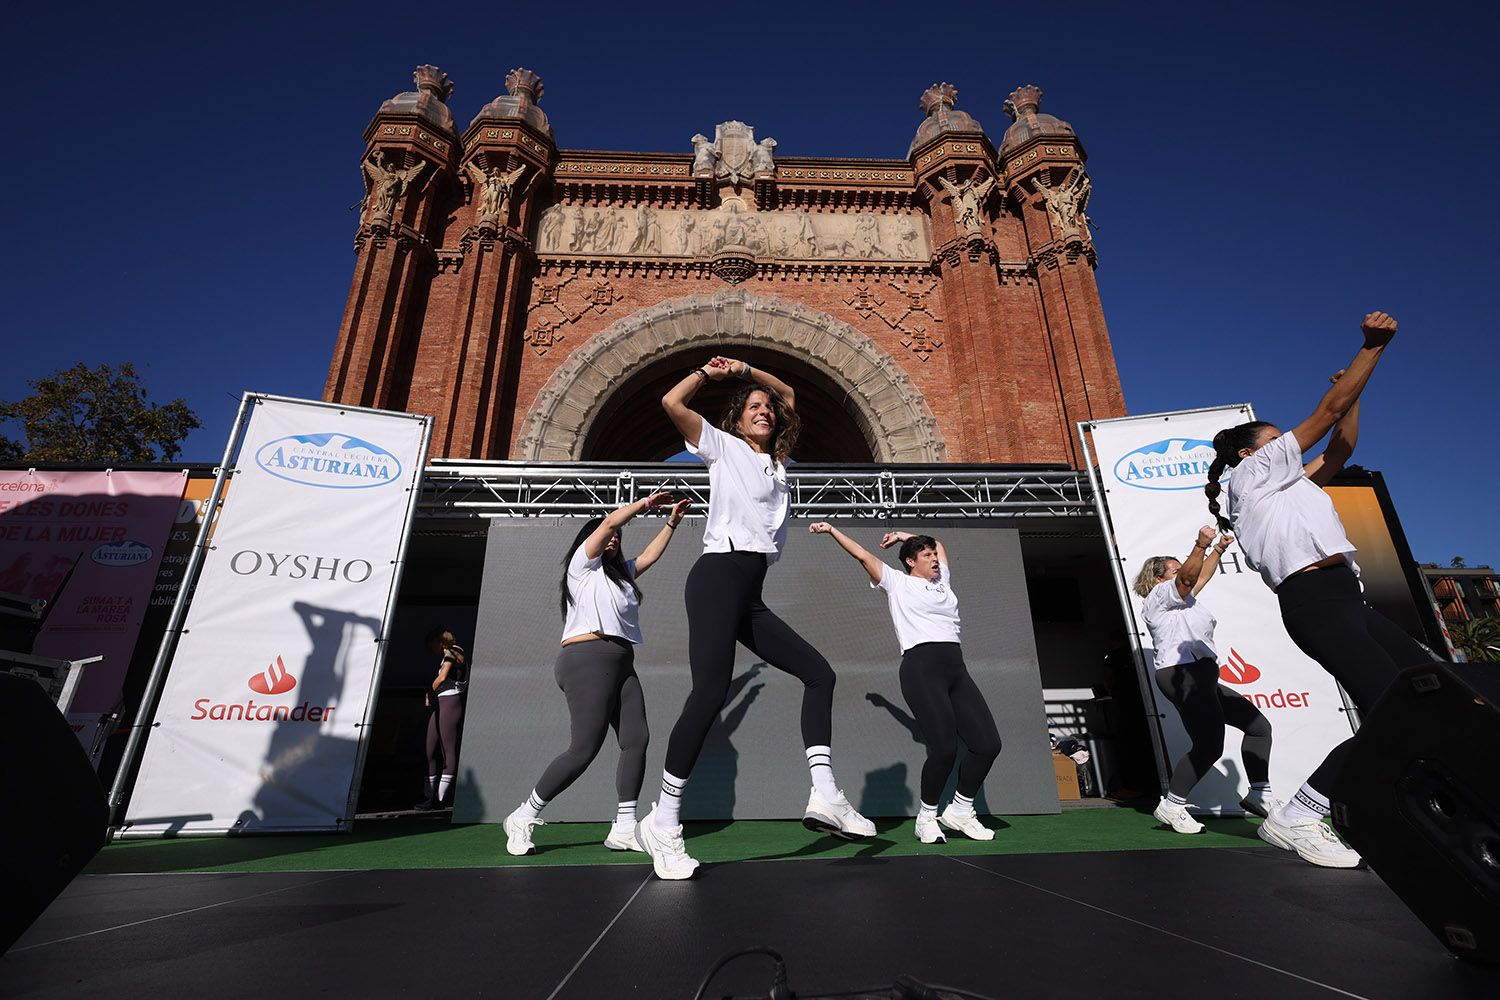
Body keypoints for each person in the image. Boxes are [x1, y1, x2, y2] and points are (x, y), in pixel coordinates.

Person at [1205, 309, 1435, 868]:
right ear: (1249, 453)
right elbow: (1326, 416)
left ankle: (1420, 808)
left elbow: (1340, 448)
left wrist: (1350, 394)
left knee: (1430, 697)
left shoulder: (1291, 485)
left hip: (1348, 599)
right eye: (1275, 438)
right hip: (1315, 602)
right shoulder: (1250, 477)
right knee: (1388, 709)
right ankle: (1299, 812)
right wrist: (1372, 349)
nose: (1287, 442)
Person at [639, 356, 875, 881]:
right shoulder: (721, 448)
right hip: (718, 576)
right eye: (752, 408)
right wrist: (709, 373)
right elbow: (671, 403)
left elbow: (788, 391)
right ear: (735, 420)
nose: (764, 411)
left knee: (820, 674)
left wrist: (751, 371)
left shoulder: (778, 464)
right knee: (709, 691)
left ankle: (824, 793)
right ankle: (665, 818)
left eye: (767, 409)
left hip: (749, 590)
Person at [501, 493, 690, 856]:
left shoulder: (620, 577)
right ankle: (523, 815)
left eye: (618, 537)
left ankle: (623, 827)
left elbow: (648, 557)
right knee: (584, 748)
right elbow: (608, 523)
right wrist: (646, 504)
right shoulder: (581, 567)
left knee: (637, 740)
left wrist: (672, 523)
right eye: (609, 535)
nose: (614, 538)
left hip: (621, 660)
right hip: (587, 658)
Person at [809, 524, 1002, 844]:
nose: (935, 559)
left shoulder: (943, 582)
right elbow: (862, 555)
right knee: (943, 748)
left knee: (987, 745)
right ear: (911, 561)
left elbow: (938, 543)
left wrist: (902, 535)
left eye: (934, 555)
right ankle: (926, 818)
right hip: (921, 669)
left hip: (955, 669)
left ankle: (960, 810)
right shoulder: (896, 583)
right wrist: (831, 530)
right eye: (927, 555)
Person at [1132, 527, 1278, 835]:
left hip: (1202, 675)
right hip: (1182, 674)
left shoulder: (1184, 600)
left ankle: (1259, 793)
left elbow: (1199, 577)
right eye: (1176, 568)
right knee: (1209, 746)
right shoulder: (1160, 597)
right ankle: (1172, 805)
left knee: (1258, 727)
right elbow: (1189, 578)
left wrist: (1218, 551)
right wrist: (1200, 544)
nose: (1185, 570)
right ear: (1160, 578)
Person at [416, 627, 468, 810]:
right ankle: (429, 796)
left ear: (439, 642)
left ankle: (440, 799)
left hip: (451, 701)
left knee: (448, 751)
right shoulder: (448, 654)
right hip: (441, 702)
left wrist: (431, 689)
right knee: (430, 749)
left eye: (432, 645)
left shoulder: (454, 650)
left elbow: (443, 676)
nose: (431, 650)